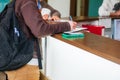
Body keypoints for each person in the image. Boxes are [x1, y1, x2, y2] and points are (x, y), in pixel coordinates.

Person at [14, 0, 77, 79]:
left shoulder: (28, 2)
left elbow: (55, 12)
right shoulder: (28, 3)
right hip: (25, 63)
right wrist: (67, 26)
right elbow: (40, 30)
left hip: (20, 59)